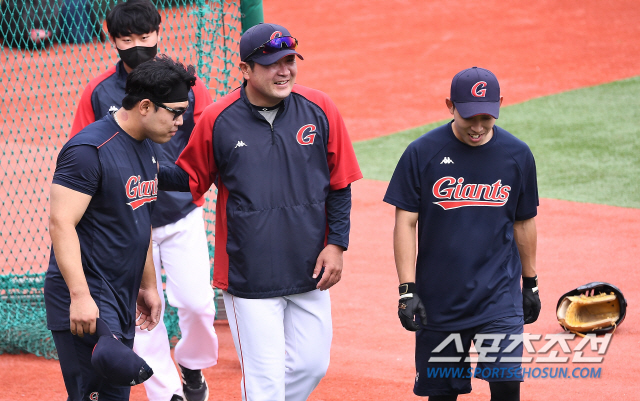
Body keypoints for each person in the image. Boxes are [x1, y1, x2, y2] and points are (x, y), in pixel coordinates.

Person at [158, 22, 363, 401]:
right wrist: (141, 167)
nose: (284, 71)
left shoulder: (320, 109)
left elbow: (340, 183)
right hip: (249, 273)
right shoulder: (218, 119)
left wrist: (337, 245)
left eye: (289, 61)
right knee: (264, 381)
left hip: (309, 268)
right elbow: (190, 177)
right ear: (245, 69)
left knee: (311, 366)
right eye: (271, 64)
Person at [70, 1, 218, 400]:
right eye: (126, 38)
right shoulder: (99, 91)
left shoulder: (186, 84)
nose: (137, 44)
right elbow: (83, 149)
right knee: (144, 318)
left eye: (145, 35)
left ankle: (191, 363)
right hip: (127, 221)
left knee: (199, 306)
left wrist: (198, 182)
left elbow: (206, 142)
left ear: (158, 33)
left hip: (180, 213)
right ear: (112, 40)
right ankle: (167, 393)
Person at [44, 55, 197, 401]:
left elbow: (139, 219)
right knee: (95, 395)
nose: (180, 122)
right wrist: (80, 297)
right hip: (89, 295)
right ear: (145, 106)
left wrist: (148, 285)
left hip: (120, 294)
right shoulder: (89, 150)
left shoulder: (145, 145)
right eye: (175, 112)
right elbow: (61, 223)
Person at [384, 67, 541, 401]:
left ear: (500, 105)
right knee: (442, 394)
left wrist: (530, 283)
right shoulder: (421, 153)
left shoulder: (517, 155)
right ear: (450, 106)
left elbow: (524, 222)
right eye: (470, 117)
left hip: (499, 297)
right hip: (440, 302)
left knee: (506, 387)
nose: (478, 127)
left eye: (487, 117)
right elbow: (405, 223)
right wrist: (406, 290)